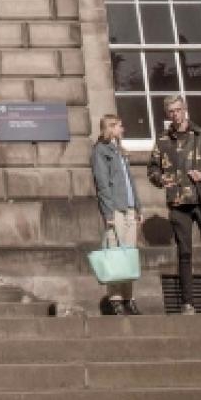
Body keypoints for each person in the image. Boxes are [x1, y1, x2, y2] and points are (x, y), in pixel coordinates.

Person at [147, 95, 201, 313]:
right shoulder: (163, 139)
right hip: (178, 202)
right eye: (171, 112)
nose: (175, 115)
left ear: (184, 109)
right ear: (167, 114)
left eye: (178, 110)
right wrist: (160, 179)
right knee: (184, 253)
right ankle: (188, 303)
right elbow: (152, 168)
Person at [90, 114, 142, 315]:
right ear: (110, 128)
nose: (123, 129)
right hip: (115, 209)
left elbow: (130, 182)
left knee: (129, 255)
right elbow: (102, 184)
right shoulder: (100, 151)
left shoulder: (119, 150)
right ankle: (116, 299)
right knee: (115, 254)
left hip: (129, 207)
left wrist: (138, 208)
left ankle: (129, 298)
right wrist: (108, 212)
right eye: (119, 126)